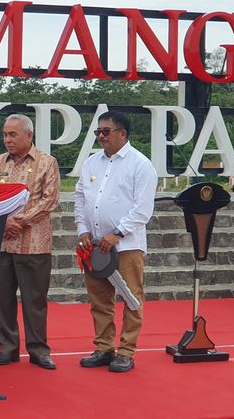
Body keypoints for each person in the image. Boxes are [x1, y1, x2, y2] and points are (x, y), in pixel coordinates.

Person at [74, 111, 157, 373]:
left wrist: (117, 233)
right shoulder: (90, 164)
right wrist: (82, 229)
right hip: (95, 245)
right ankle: (104, 347)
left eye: (106, 131)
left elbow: (143, 210)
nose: (101, 136)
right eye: (98, 131)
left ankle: (127, 351)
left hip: (126, 246)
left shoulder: (140, 165)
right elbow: (79, 198)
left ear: (123, 133)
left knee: (131, 298)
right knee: (99, 299)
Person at [0, 114, 60, 370]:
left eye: (13, 134)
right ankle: (7, 347)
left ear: (29, 135)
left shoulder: (46, 162)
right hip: (2, 243)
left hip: (34, 244)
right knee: (2, 298)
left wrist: (19, 221)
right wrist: (4, 223)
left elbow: (49, 200)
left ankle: (38, 350)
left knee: (35, 299)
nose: (7, 139)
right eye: (5, 134)